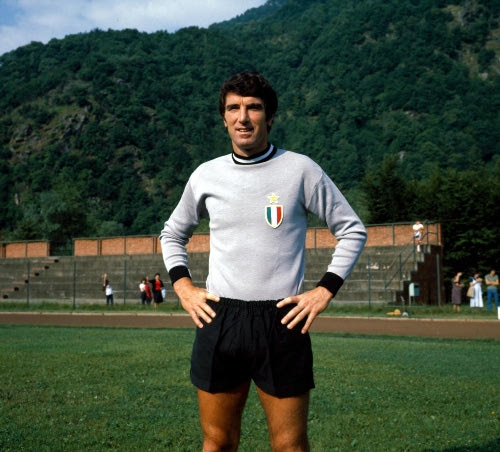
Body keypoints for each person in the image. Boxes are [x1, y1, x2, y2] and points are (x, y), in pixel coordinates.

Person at [159, 71, 367, 451]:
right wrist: (184, 287)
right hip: (220, 318)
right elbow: (172, 233)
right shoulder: (206, 175)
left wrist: (323, 291)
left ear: (269, 117)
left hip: (282, 319)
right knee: (217, 442)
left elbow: (352, 229)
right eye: (233, 108)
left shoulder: (301, 170)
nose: (243, 117)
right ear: (223, 118)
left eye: (253, 108)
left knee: (290, 445)